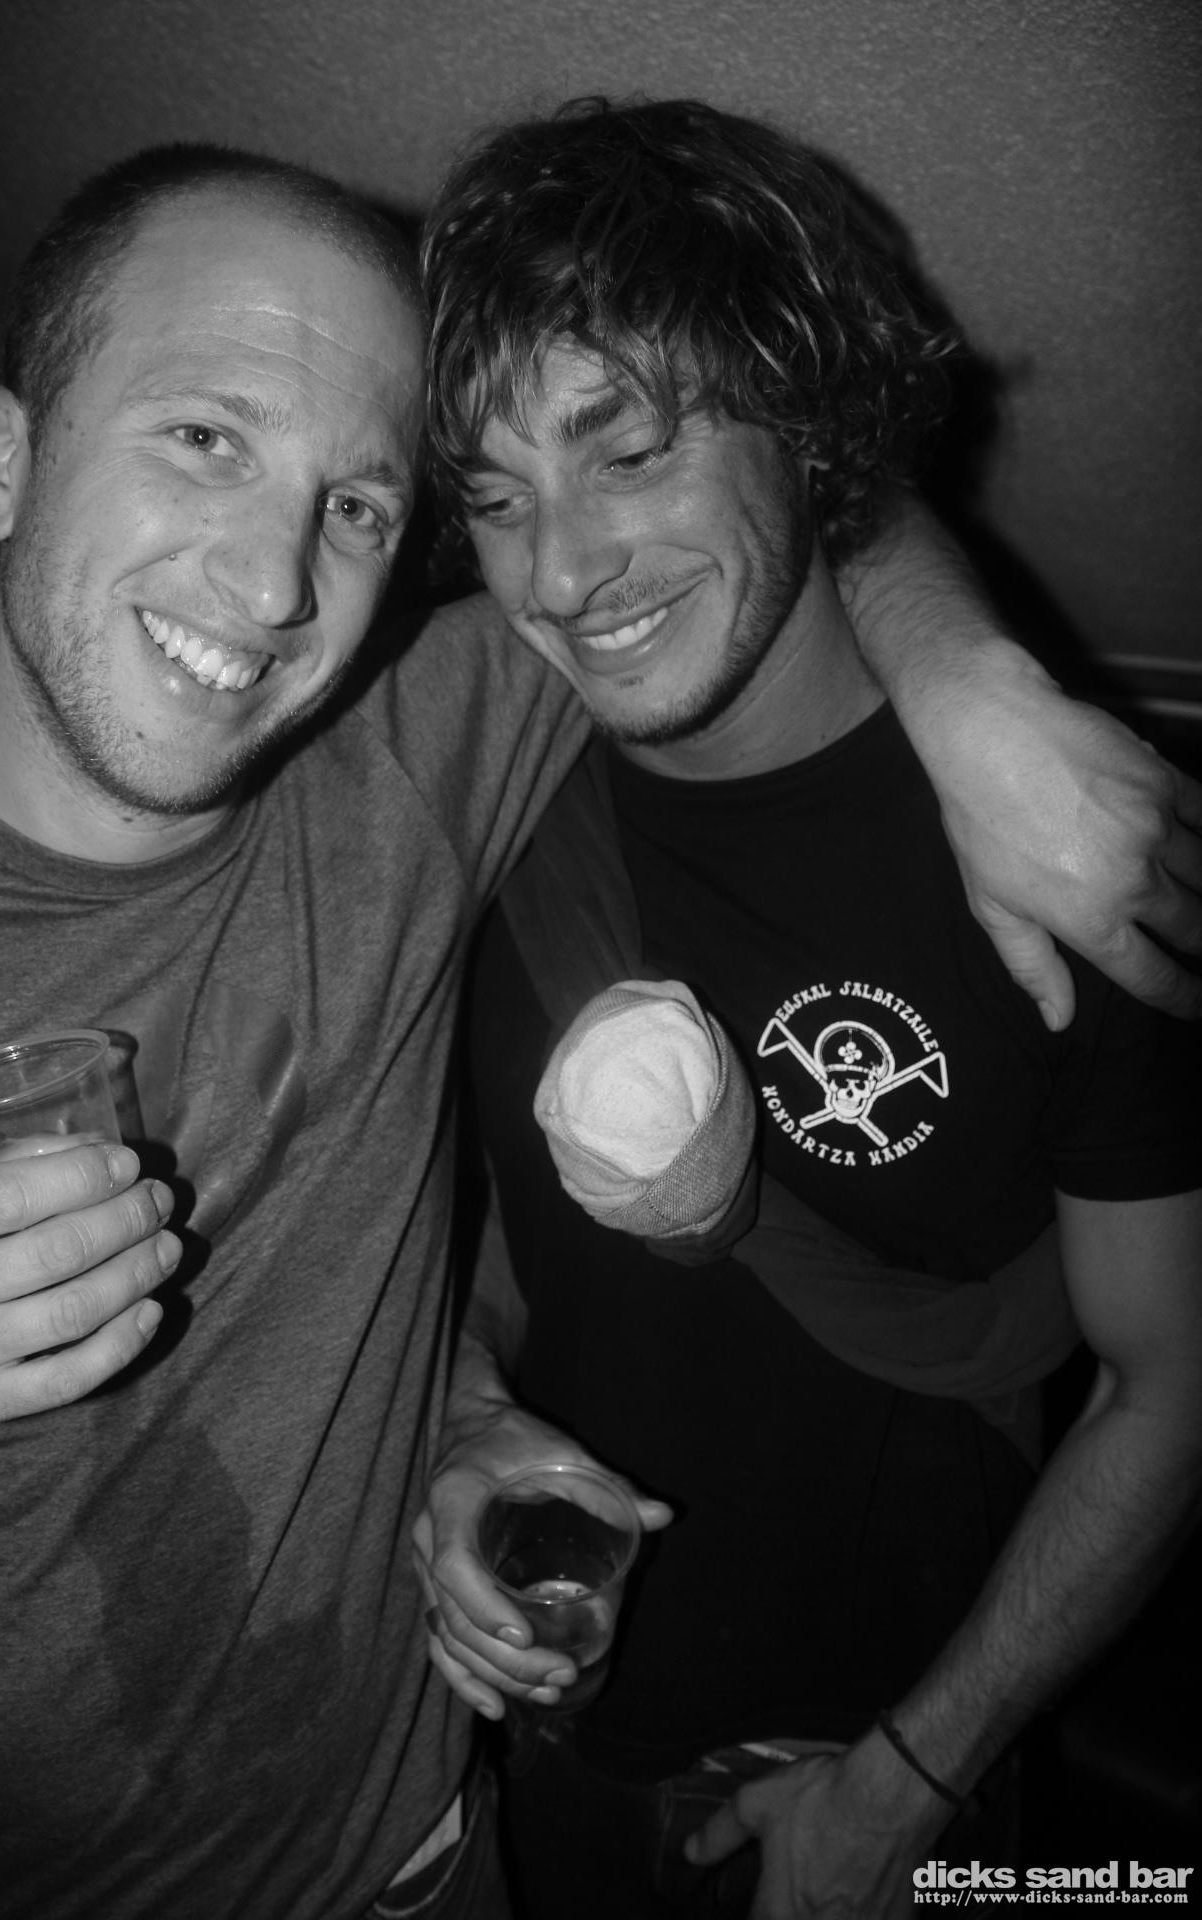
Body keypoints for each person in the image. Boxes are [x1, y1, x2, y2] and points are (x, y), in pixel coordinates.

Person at [0, 135, 1195, 1920]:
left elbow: (797, 493)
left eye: (360, 507)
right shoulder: (492, 742)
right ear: (0, 460)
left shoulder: (423, 754)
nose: (274, 583)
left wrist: (979, 685)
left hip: (468, 1840)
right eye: (203, 436)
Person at [412, 97, 1202, 1918]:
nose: (563, 574)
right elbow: (483, 1240)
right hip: (547, 1733)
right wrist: (461, 1415)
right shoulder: (495, 795)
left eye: (629, 452)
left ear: (808, 417)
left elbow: (1173, 1382)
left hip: (890, 1770)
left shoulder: (1062, 852)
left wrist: (909, 1787)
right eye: (503, 501)